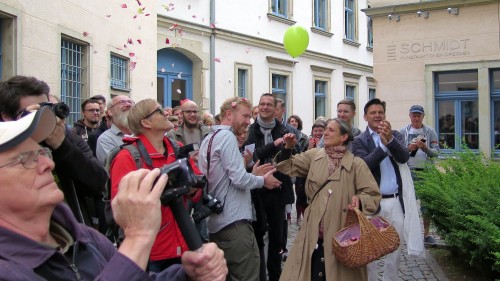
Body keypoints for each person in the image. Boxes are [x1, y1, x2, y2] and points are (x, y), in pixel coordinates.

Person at [0, 108, 228, 281]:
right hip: (157, 247)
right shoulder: (7, 268)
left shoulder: (83, 236)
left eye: (43, 152)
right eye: (26, 160)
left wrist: (188, 275)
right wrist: (137, 238)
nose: (47, 164)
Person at [276, 118, 381, 281]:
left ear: (344, 137)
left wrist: (359, 200)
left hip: (342, 234)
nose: (325, 133)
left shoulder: (356, 164)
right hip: (313, 231)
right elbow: (286, 165)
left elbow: (372, 195)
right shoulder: (314, 156)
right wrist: (288, 147)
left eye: (331, 130)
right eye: (326, 129)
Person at [0, 75, 107, 229]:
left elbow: (98, 183)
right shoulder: (4, 151)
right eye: (33, 113)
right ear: (7, 117)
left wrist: (62, 146)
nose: (43, 118)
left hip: (74, 233)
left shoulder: (67, 138)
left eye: (46, 109)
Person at [110, 99, 202, 272]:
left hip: (184, 244)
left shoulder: (177, 149)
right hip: (151, 253)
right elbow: (121, 209)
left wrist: (192, 188)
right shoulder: (128, 157)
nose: (166, 112)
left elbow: (196, 189)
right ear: (146, 122)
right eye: (159, 111)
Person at [198, 96, 282, 281]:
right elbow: (239, 179)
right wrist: (261, 180)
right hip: (234, 224)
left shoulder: (209, 137)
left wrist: (251, 172)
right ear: (229, 114)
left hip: (215, 224)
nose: (248, 121)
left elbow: (222, 177)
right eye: (245, 116)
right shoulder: (227, 136)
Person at [351, 98, 423, 281]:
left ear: (385, 115)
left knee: (395, 249)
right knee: (369, 252)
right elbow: (365, 164)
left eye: (380, 112)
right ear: (365, 116)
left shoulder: (395, 135)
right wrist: (383, 146)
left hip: (395, 201)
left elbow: (404, 157)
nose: (377, 116)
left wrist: (389, 140)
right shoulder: (359, 140)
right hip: (371, 203)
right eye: (373, 113)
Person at [245, 93, 298, 281]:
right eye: (261, 104)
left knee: (276, 238)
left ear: (276, 108)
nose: (265, 107)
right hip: (255, 190)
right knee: (258, 236)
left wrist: (287, 147)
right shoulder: (249, 130)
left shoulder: (286, 130)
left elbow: (291, 162)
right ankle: (260, 276)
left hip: (277, 189)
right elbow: (250, 158)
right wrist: (274, 145)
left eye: (269, 104)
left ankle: (275, 276)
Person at [399, 105, 439, 244]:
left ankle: (427, 234)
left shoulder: (430, 131)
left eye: (419, 116)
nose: (416, 118)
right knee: (407, 203)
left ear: (423, 116)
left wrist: (425, 148)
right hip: (408, 172)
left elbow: (436, 153)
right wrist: (409, 148)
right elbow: (398, 152)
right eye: (414, 116)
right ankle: (407, 233)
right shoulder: (403, 131)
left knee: (427, 204)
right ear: (410, 116)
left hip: (427, 173)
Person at [173, 98, 210, 243]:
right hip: (184, 184)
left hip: (203, 182)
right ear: (181, 114)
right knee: (183, 223)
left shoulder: (207, 132)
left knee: (203, 227)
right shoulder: (173, 134)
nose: (193, 115)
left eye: (195, 111)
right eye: (189, 112)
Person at [96, 95, 135, 163]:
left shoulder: (142, 132)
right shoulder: (105, 139)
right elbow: (119, 166)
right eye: (122, 102)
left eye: (130, 102)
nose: (128, 104)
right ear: (110, 112)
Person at [287, 114, 309, 225]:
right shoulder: (286, 135)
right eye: (291, 121)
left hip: (301, 165)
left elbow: (306, 150)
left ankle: (301, 217)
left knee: (300, 192)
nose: (294, 123)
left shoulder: (304, 137)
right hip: (291, 165)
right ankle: (289, 215)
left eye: (295, 121)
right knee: (290, 190)